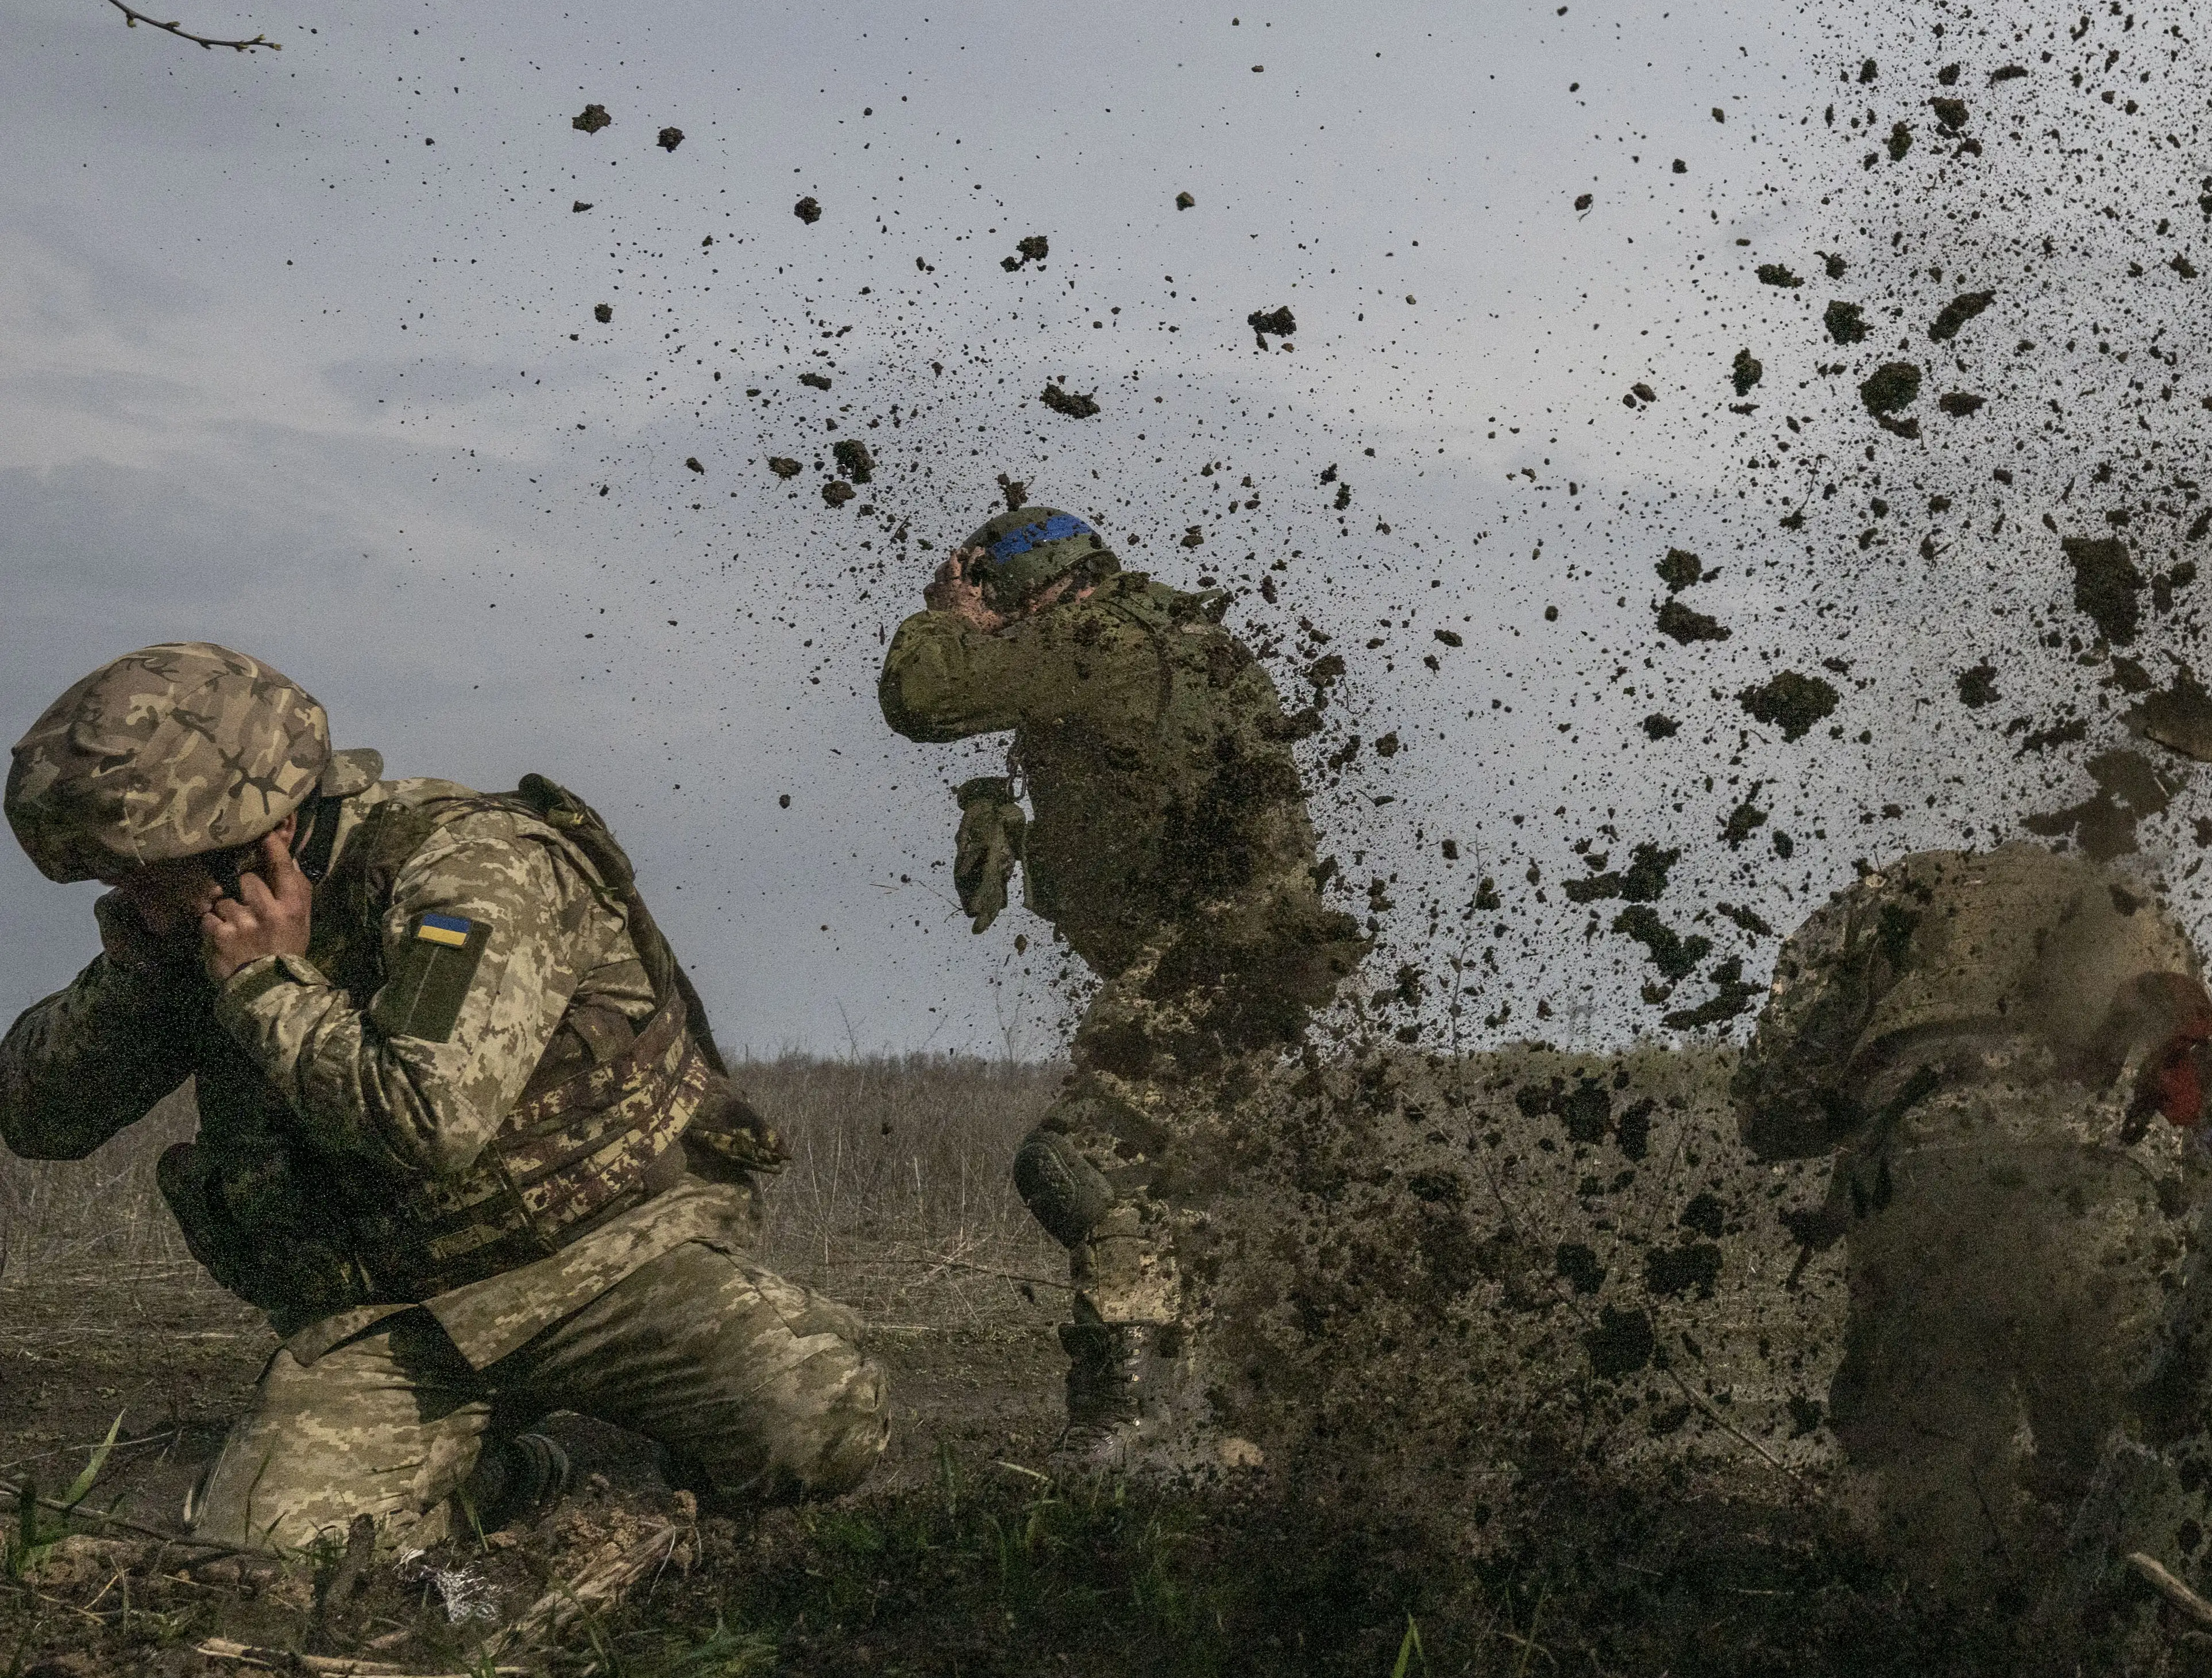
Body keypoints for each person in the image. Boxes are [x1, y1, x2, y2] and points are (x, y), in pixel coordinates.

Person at [0, 643, 886, 1553]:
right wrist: (150, 972)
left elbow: (430, 1115)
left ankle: (620, 1451)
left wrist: (268, 986)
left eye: (148, 872)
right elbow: (37, 1117)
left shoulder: (471, 866)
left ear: (253, 833)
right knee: (275, 1549)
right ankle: (522, 1471)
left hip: (608, 1262)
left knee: (819, 1420)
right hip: (400, 1317)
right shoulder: (202, 924)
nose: (134, 897)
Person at [878, 500, 1364, 1468]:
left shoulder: (1093, 634)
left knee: (1081, 1163)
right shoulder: (1172, 638)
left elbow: (922, 697)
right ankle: (1226, 1425)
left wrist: (946, 617)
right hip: (1249, 961)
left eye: (993, 591)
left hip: (1217, 961)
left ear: (1023, 583)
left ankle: (1134, 1417)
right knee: (1180, 1193)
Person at [1733, 843, 2212, 1605]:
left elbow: (1774, 1102)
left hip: (1923, 1196)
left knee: (1937, 1496)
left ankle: (1955, 1676)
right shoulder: (2130, 905)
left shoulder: (1885, 902)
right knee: (2133, 1474)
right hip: (2104, 1205)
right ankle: (2127, 1669)